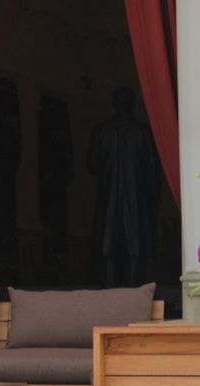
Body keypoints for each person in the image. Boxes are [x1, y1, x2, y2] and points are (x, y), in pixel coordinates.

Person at [87, 86, 162, 287]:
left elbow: (92, 165)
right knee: (134, 246)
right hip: (136, 199)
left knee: (109, 246)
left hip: (109, 198)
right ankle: (133, 290)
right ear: (132, 104)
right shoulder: (143, 131)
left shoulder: (102, 131)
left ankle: (113, 290)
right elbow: (153, 169)